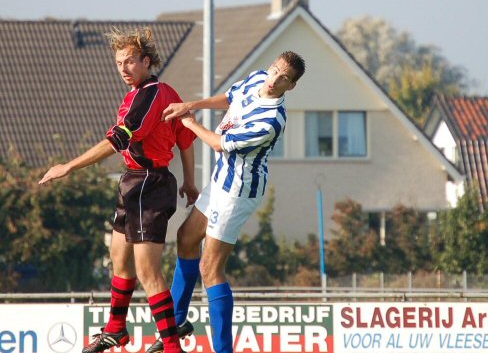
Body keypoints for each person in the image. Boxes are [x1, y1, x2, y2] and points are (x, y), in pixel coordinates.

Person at [39, 27, 199, 353]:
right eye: (118, 63)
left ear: (146, 61)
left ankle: (172, 347)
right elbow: (184, 139)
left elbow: (119, 140)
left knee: (147, 271)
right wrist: (189, 181)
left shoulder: (150, 94)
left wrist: (68, 166)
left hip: (149, 185)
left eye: (129, 61)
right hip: (133, 182)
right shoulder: (150, 92)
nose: (123, 69)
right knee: (118, 257)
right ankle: (115, 330)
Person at [145, 51, 306, 353]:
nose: (275, 79)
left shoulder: (271, 120)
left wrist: (189, 123)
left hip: (238, 191)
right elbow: (230, 98)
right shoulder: (258, 78)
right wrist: (192, 105)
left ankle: (223, 350)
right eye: (275, 71)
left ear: (291, 86)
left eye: (284, 78)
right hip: (221, 179)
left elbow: (219, 143)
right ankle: (176, 323)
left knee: (210, 267)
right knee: (186, 238)